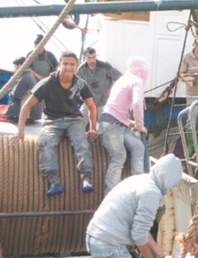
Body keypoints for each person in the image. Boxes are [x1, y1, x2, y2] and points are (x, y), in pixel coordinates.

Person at [86, 154, 182, 258]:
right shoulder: (151, 193)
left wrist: (161, 255)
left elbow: (142, 231)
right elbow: (139, 235)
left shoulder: (141, 180)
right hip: (108, 244)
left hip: (95, 238)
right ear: (168, 179)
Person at [10, 51, 97, 197]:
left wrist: (93, 128)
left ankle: (86, 178)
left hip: (74, 120)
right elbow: (26, 106)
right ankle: (54, 181)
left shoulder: (81, 84)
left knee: (81, 143)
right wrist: (20, 131)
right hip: (52, 121)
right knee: (45, 143)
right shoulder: (47, 83)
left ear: (76, 66)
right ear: (59, 64)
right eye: (65, 64)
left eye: (72, 64)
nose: (68, 67)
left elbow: (92, 107)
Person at [99, 57, 150, 195]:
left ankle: (138, 187)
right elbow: (137, 103)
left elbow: (118, 109)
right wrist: (139, 125)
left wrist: (131, 123)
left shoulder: (123, 79)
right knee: (119, 155)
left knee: (138, 146)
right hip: (110, 125)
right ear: (142, 71)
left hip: (119, 124)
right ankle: (110, 196)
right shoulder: (137, 80)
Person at [76, 47, 122, 116]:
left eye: (93, 57)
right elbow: (76, 84)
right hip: (89, 100)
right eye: (89, 58)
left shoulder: (105, 66)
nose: (92, 60)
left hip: (103, 100)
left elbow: (120, 78)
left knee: (103, 122)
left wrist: (112, 90)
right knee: (81, 120)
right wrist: (80, 94)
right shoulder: (81, 69)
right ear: (85, 57)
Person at [5, 56, 42, 123]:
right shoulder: (30, 76)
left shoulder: (25, 77)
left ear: (19, 65)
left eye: (15, 67)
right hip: (35, 113)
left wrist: (10, 92)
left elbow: (16, 95)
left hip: (29, 114)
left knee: (12, 107)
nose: (14, 69)